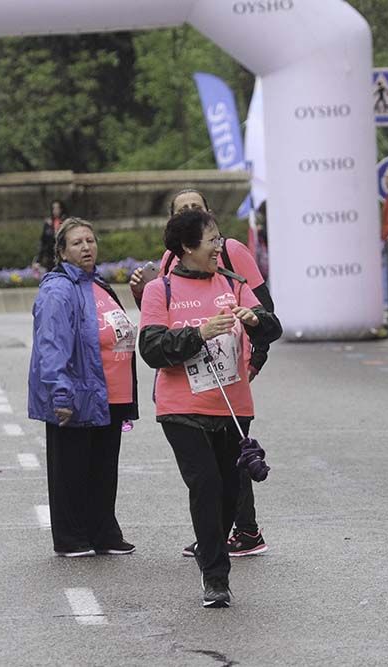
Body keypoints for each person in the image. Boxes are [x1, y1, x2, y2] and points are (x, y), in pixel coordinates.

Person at [138, 208, 282, 608]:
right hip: (181, 408)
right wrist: (198, 333)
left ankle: (209, 549)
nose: (220, 247)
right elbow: (151, 350)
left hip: (232, 406)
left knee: (229, 492)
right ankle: (216, 577)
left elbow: (273, 328)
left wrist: (254, 319)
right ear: (187, 247)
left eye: (219, 239)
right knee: (205, 485)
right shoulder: (160, 291)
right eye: (212, 240)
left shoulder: (233, 285)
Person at [27, 217, 139, 558]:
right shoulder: (58, 289)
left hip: (110, 395)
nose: (86, 247)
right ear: (61, 252)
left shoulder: (99, 284)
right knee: (71, 468)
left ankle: (103, 532)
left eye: (90, 240)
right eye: (77, 242)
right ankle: (71, 537)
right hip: (76, 395)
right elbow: (51, 345)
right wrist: (60, 392)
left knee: (103, 468)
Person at [34, 200, 67, 272]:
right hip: (50, 257)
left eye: (57, 208)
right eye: (53, 208)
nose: (55, 211)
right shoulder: (48, 223)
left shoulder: (66, 223)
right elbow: (43, 242)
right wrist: (38, 260)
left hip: (64, 258)